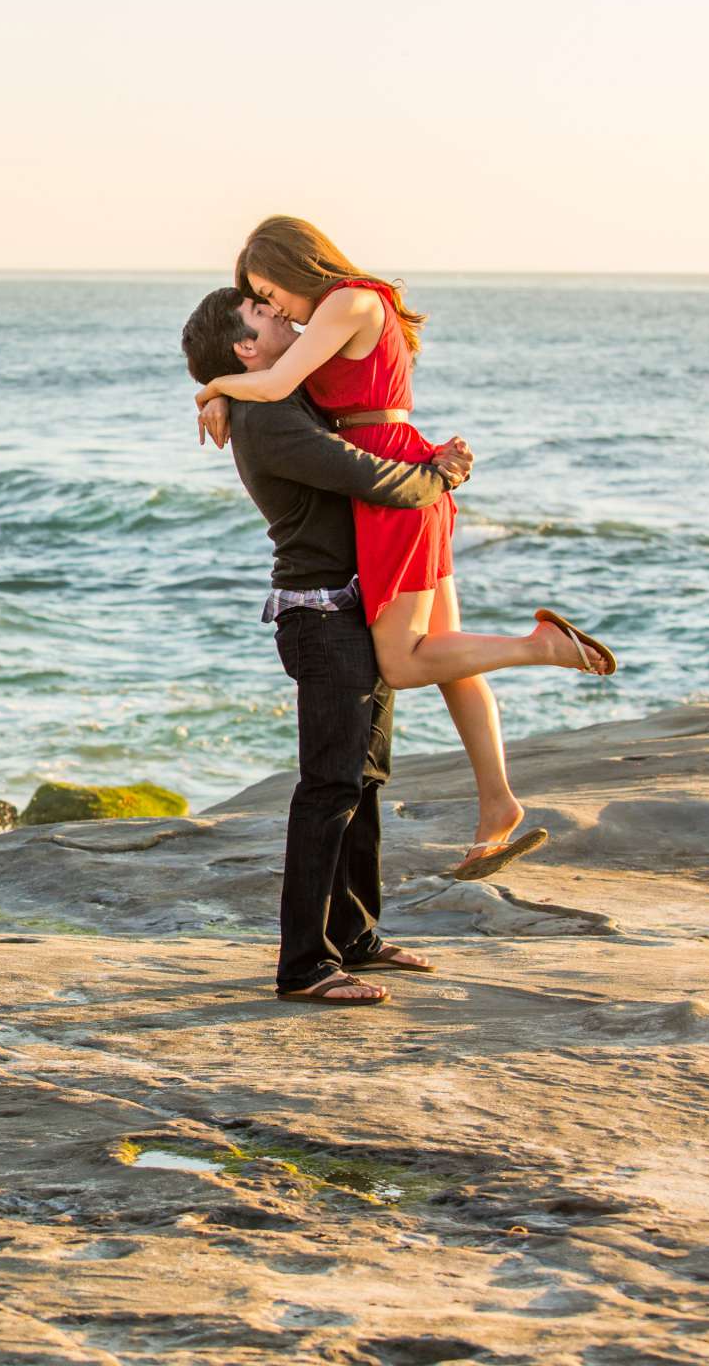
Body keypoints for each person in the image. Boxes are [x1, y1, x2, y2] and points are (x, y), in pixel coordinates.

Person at [193, 217, 615, 880]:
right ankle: (498, 801)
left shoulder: (347, 301)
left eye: (269, 290)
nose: (274, 307)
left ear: (300, 265)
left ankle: (542, 646)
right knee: (447, 656)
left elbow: (272, 386)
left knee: (405, 658)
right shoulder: (350, 308)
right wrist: (224, 390)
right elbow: (284, 386)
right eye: (261, 300)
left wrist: (215, 388)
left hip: (392, 485)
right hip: (400, 470)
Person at [182, 284, 474, 1004]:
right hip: (320, 617)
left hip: (353, 606)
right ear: (248, 349)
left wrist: (213, 391)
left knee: (365, 778)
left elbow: (357, 398)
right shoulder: (272, 419)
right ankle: (304, 964)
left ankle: (358, 935)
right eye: (262, 314)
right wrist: (439, 474)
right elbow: (368, 478)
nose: (281, 314)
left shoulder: (284, 395)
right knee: (328, 786)